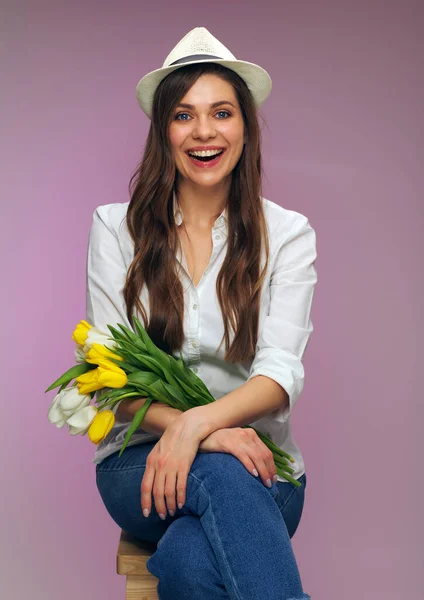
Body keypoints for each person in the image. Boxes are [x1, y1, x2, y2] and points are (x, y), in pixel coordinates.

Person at [90, 26, 316, 600]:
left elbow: (279, 372)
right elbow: (108, 379)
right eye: (184, 116)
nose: (205, 131)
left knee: (190, 564)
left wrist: (197, 424)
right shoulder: (115, 230)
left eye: (222, 112)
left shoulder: (287, 235)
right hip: (140, 465)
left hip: (267, 471)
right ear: (163, 131)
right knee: (221, 470)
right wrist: (203, 435)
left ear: (245, 128)